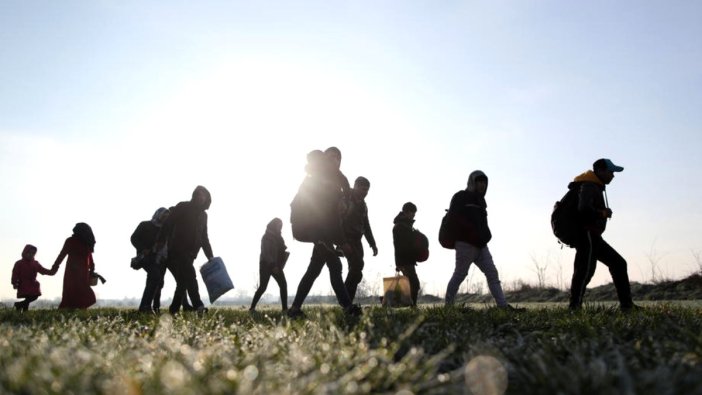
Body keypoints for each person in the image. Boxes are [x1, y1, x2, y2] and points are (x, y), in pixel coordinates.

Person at [287, 150, 361, 319]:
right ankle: (348, 308)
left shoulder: (328, 180)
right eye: (330, 158)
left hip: (319, 231)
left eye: (338, 158)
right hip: (316, 230)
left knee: (313, 270)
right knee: (335, 266)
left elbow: (332, 217)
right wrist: (342, 242)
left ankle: (294, 309)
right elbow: (329, 217)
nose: (335, 162)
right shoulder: (324, 181)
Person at [444, 171, 518, 310]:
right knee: (460, 274)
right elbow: (454, 219)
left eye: (484, 182)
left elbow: (482, 224)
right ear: (472, 182)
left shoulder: (481, 201)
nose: (482, 185)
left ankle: (503, 307)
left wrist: (486, 235)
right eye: (479, 181)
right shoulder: (461, 196)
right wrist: (470, 232)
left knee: (492, 274)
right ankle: (448, 307)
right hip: (465, 244)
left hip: (481, 246)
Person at [567, 159, 635, 311]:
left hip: (592, 236)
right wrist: (601, 213)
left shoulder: (593, 185)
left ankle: (627, 306)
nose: (613, 175)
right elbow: (583, 209)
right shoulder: (589, 185)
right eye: (611, 172)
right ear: (600, 170)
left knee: (615, 264)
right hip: (587, 235)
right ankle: (574, 308)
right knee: (584, 271)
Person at [158, 186, 214, 314]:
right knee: (191, 275)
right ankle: (198, 306)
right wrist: (160, 242)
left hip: (191, 253)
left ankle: (174, 309)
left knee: (182, 282)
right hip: (178, 250)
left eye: (203, 196)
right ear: (194, 196)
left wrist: (210, 256)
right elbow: (168, 223)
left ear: (206, 199)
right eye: (199, 195)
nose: (201, 198)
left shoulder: (204, 216)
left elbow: (204, 238)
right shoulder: (183, 207)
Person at [131, 207, 180, 313]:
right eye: (164, 216)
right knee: (155, 277)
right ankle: (146, 306)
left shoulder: (166, 229)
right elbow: (134, 238)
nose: (165, 219)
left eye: (167, 217)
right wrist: (143, 249)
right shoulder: (145, 225)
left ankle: (147, 306)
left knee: (157, 281)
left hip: (161, 259)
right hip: (147, 258)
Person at [343, 176, 378, 302]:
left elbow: (366, 225)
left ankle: (347, 302)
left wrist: (372, 244)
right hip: (345, 239)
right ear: (355, 186)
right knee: (357, 266)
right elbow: (337, 220)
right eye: (362, 189)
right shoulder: (345, 198)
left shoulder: (363, 205)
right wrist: (341, 242)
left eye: (367, 190)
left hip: (357, 240)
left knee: (357, 271)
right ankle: (345, 301)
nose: (365, 193)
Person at [51, 223, 97, 309]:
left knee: (74, 289)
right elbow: (89, 256)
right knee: (79, 290)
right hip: (79, 270)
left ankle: (78, 308)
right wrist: (92, 267)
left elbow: (62, 255)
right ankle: (80, 308)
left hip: (74, 270)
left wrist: (55, 267)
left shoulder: (73, 241)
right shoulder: (84, 242)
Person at [250, 218, 289, 312]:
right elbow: (266, 253)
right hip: (266, 265)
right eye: (279, 226)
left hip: (277, 265)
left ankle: (284, 309)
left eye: (281, 226)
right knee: (263, 287)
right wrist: (273, 265)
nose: (280, 228)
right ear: (273, 225)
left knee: (283, 285)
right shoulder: (266, 237)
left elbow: (280, 251)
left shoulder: (279, 237)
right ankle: (252, 308)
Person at [11, 244, 55, 311]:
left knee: (34, 296)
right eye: (29, 253)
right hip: (23, 283)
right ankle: (22, 308)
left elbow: (42, 270)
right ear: (25, 252)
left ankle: (19, 305)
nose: (31, 254)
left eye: (33, 253)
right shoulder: (19, 263)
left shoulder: (35, 263)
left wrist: (52, 272)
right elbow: (15, 274)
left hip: (33, 284)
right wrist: (14, 282)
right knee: (29, 297)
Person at [393, 202, 421, 307]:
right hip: (405, 261)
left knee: (412, 284)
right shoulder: (400, 227)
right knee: (414, 284)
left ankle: (411, 306)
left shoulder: (405, 226)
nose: (413, 216)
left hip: (408, 260)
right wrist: (398, 263)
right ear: (406, 212)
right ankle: (412, 306)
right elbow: (398, 247)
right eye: (412, 214)